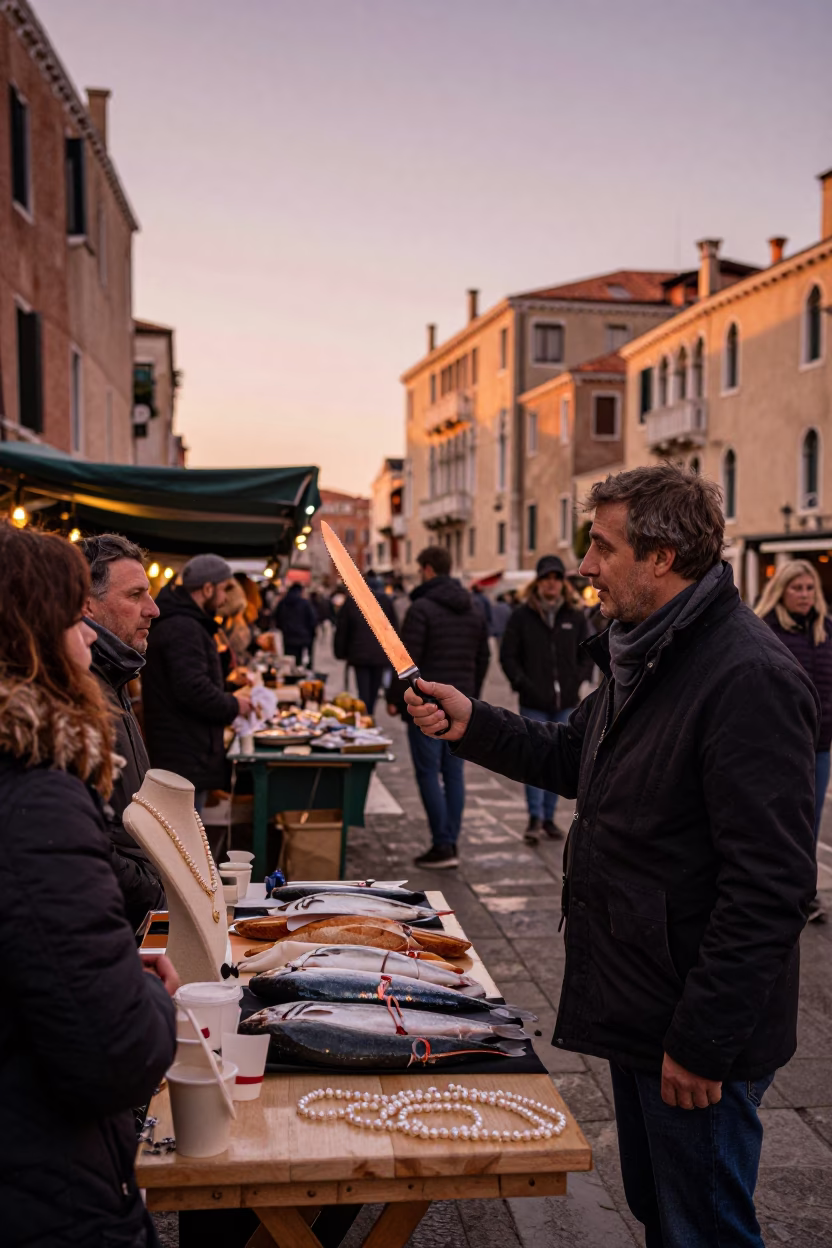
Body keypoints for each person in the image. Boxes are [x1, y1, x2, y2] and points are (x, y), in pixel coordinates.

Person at [405, 464, 817, 1245]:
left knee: (704, 1228)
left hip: (692, 1022)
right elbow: (574, 753)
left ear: (660, 557)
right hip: (640, 995)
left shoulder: (746, 676)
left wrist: (701, 1043)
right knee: (664, 1213)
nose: (586, 566)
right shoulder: (646, 651)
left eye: (602, 546)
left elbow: (771, 887)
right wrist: (474, 723)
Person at [0, 521, 177, 1248]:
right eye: (76, 620)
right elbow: (118, 1053)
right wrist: (148, 997)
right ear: (40, 635)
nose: (89, 642)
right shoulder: (36, 794)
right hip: (44, 1190)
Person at [80, 533, 166, 931]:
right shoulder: (78, 693)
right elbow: (84, 842)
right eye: (135, 595)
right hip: (115, 921)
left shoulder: (115, 673)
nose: (153, 609)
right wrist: (153, 890)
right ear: (87, 605)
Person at [390, 544, 490, 869]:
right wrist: (472, 692)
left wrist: (395, 700)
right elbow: (483, 656)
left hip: (427, 704)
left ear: (428, 569)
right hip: (462, 703)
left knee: (428, 773)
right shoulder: (473, 607)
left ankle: (442, 843)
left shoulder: (421, 608)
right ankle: (451, 840)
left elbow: (405, 660)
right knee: (454, 772)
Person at [142, 553, 252, 812]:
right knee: (186, 837)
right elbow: (193, 689)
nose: (225, 598)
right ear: (207, 588)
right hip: (184, 753)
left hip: (187, 750)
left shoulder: (186, 623)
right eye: (224, 589)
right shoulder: (184, 627)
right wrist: (234, 704)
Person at [756, 559, 832, 922]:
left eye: (809, 588)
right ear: (781, 591)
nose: (804, 595)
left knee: (811, 823)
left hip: (819, 746)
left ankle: (806, 894)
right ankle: (772, 891)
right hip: (777, 745)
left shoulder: (826, 630)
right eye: (797, 588)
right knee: (775, 822)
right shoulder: (766, 630)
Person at [500, 555, 592, 845]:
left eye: (556, 577)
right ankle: (534, 818)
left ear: (562, 583)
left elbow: (586, 653)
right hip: (533, 700)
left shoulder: (574, 615)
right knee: (533, 760)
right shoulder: (522, 616)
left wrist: (576, 680)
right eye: (546, 578)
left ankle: (550, 818)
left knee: (558, 761)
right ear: (538, 582)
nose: (551, 583)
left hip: (565, 700)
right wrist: (523, 683)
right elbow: (508, 656)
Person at [334, 573, 398, 712]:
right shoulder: (385, 601)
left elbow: (343, 630)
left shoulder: (352, 602)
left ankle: (365, 715)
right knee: (374, 689)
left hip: (360, 654)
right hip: (379, 654)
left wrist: (341, 652)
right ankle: (369, 714)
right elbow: (393, 628)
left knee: (363, 689)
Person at [273, 582, 317, 668]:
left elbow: (276, 618)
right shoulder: (305, 603)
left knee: (289, 660)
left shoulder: (282, 603)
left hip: (288, 637)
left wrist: (284, 628)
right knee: (300, 661)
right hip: (303, 637)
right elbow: (312, 619)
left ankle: (290, 677)